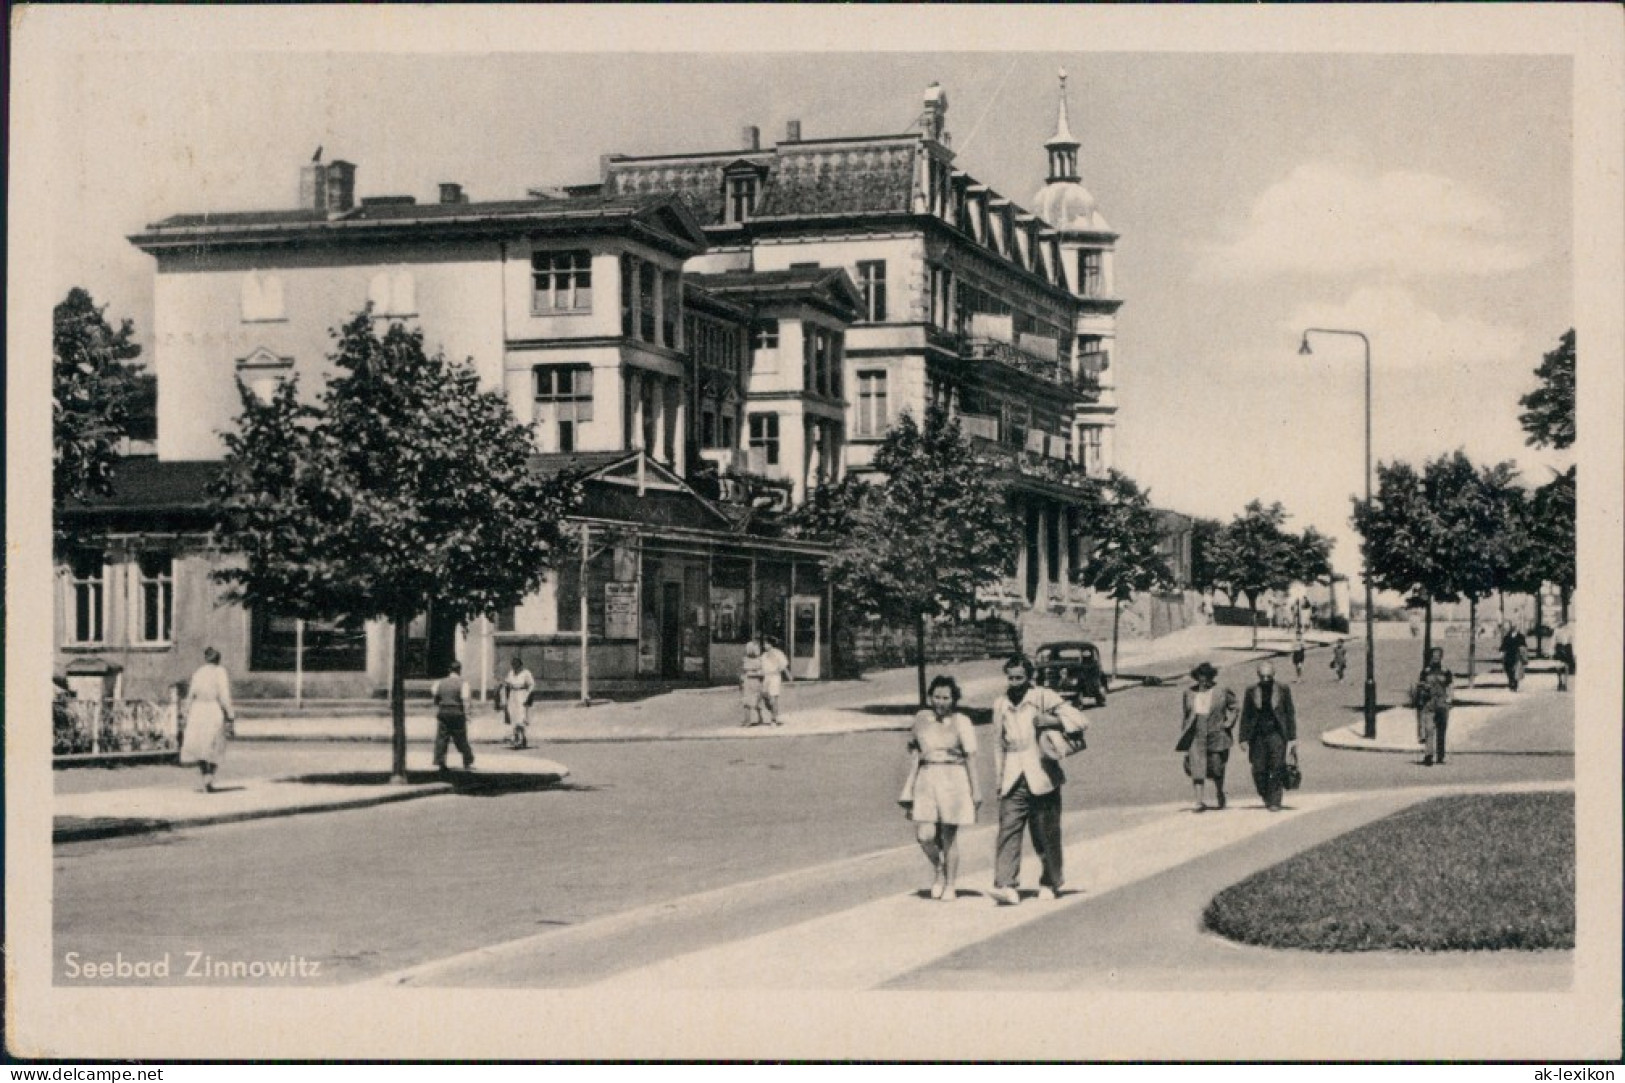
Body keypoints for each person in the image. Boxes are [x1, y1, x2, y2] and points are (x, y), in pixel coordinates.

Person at [989, 654, 1088, 906]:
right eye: (1010, 678)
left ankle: (1050, 881)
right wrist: (999, 780)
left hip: (1042, 773)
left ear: (1029, 676)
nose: (1014, 683)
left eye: (1019, 677)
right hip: (1013, 775)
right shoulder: (1000, 704)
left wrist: (1051, 720)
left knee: (1046, 832)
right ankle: (1006, 884)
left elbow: (1081, 720)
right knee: (1007, 830)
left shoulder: (1043, 697)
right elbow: (998, 745)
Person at [902, 675, 981, 902]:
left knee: (949, 836)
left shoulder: (962, 721)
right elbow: (913, 749)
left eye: (946, 697)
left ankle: (950, 884)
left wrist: (976, 790)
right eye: (936, 697)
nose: (940, 702)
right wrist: (911, 782)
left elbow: (970, 757)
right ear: (930, 697)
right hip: (927, 778)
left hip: (953, 778)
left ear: (954, 699)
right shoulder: (920, 719)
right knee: (924, 835)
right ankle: (939, 868)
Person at [1176, 662, 1238, 811]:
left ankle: (1219, 791)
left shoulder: (1221, 691)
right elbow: (1186, 715)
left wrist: (1229, 722)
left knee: (1217, 767)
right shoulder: (1189, 693)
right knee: (1197, 768)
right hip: (1196, 733)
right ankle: (1199, 801)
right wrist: (1185, 735)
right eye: (1199, 678)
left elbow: (1235, 706)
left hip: (1216, 732)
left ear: (1211, 677)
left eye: (1206, 678)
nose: (1202, 681)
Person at [1238, 662, 1297, 812]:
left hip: (1276, 733)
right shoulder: (1251, 690)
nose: (1265, 680)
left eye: (1268, 677)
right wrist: (1243, 738)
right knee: (1259, 768)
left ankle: (1275, 800)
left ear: (1273, 676)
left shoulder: (1283, 689)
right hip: (1257, 735)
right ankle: (1265, 793)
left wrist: (1292, 737)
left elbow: (1289, 713)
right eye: (1262, 677)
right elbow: (1246, 714)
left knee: (1277, 766)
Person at [179, 647, 235, 793]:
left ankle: (205, 774)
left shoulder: (199, 672)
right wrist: (230, 713)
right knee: (215, 743)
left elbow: (191, 694)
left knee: (200, 744)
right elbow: (224, 695)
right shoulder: (220, 672)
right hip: (212, 708)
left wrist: (185, 711)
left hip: (198, 710)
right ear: (218, 659)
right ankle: (209, 776)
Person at [431, 660, 475, 771]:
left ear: (449, 670)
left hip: (443, 712)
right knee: (461, 738)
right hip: (457, 713)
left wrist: (440, 705)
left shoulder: (439, 682)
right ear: (459, 670)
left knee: (441, 738)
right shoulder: (463, 683)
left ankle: (440, 762)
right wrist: (468, 714)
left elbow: (435, 697)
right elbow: (465, 701)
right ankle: (467, 761)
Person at [1415, 646, 1454, 766]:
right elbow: (1420, 685)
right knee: (1429, 729)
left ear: (1441, 658)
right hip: (1429, 703)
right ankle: (1428, 755)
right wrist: (1423, 689)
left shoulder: (1446, 671)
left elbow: (1450, 686)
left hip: (1442, 703)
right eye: (1434, 656)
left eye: (1438, 656)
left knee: (1441, 730)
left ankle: (1441, 755)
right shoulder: (1425, 672)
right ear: (1431, 658)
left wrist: (1449, 699)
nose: (1436, 658)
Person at [501, 655, 534, 749]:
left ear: (520, 665)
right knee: (513, 716)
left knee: (521, 717)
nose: (515, 667)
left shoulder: (526, 673)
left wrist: (528, 695)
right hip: (513, 695)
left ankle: (519, 738)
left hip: (522, 695)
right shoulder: (511, 673)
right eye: (513, 665)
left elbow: (531, 685)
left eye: (516, 665)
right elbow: (507, 683)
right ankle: (519, 737)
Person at [758, 636, 792, 726]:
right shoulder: (764, 655)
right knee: (765, 696)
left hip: (775, 677)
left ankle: (774, 718)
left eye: (766, 644)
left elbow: (783, 665)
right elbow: (760, 667)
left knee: (773, 698)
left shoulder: (778, 653)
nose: (765, 645)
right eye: (764, 644)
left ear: (771, 644)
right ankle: (774, 713)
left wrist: (788, 675)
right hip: (766, 677)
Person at [739, 640, 765, 727]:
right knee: (746, 702)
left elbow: (762, 673)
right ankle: (747, 720)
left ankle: (760, 718)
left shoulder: (759, 660)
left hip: (755, 683)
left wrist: (751, 673)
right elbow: (743, 671)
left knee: (756, 701)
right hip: (747, 683)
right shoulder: (745, 660)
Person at [1499, 624, 1528, 692]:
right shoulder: (1507, 637)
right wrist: (1502, 653)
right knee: (1508, 670)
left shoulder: (1521, 637)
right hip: (1508, 656)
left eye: (1515, 627)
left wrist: (1524, 656)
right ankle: (1510, 681)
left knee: (1516, 671)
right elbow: (1503, 646)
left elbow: (1524, 647)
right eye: (1513, 627)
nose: (1514, 628)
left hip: (1517, 656)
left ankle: (1514, 684)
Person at [1553, 619, 1575, 691]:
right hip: (1566, 648)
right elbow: (1571, 641)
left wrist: (1553, 650)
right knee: (1566, 667)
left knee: (1559, 666)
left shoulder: (1557, 631)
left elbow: (1553, 641)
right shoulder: (1569, 631)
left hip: (1560, 648)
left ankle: (1560, 682)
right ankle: (1564, 683)